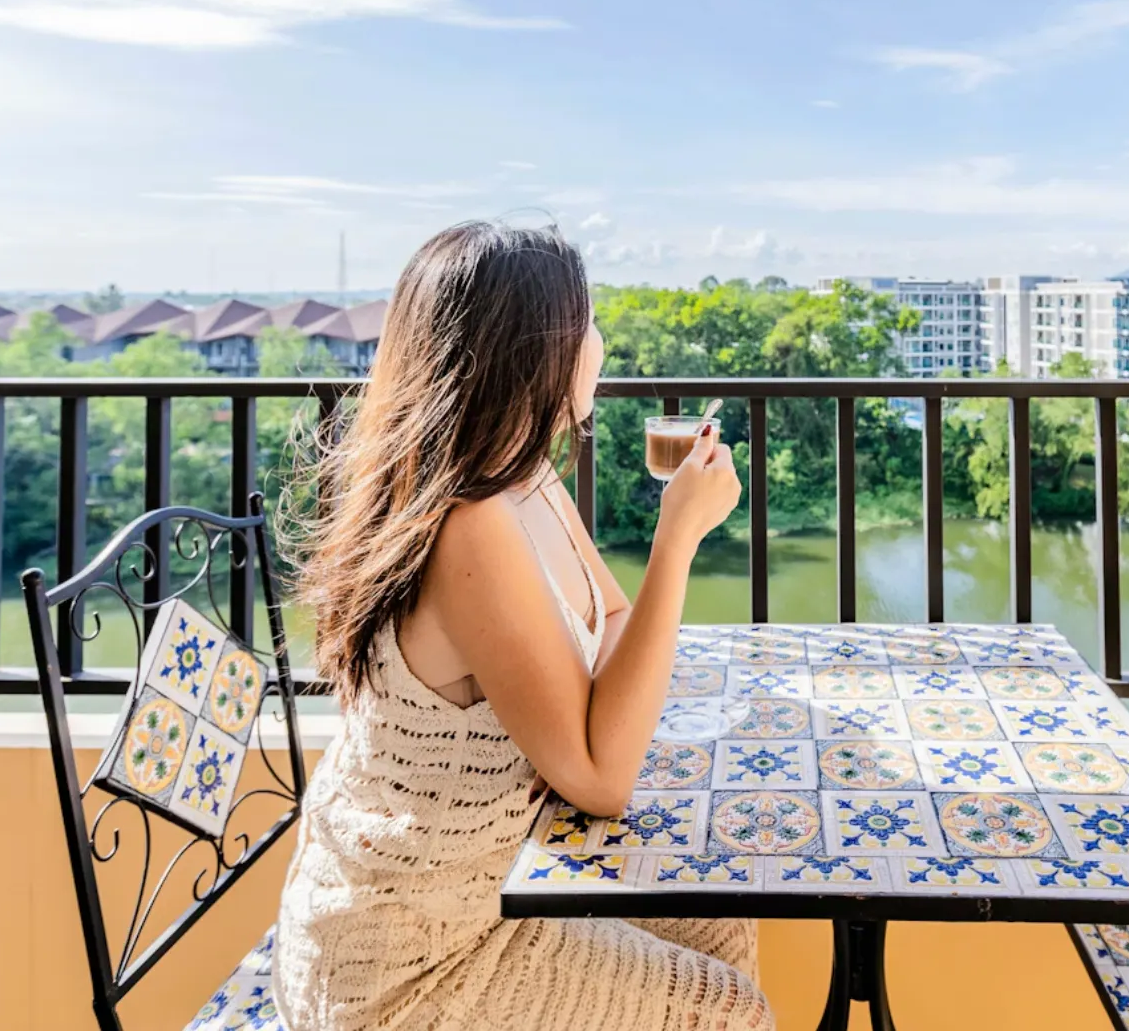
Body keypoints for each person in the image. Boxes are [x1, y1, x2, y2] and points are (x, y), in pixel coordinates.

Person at [272, 221, 770, 1030]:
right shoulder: (469, 522)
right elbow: (601, 778)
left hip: (495, 880)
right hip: (410, 956)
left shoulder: (521, 475)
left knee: (718, 922)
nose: (599, 346)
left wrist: (592, 722)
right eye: (587, 325)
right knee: (731, 1012)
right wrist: (676, 539)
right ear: (534, 353)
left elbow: (613, 619)